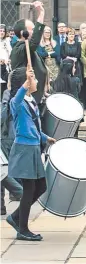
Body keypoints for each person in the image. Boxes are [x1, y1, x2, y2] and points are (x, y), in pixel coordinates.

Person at [6, 67, 56, 241]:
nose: (36, 82)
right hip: (24, 149)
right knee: (29, 189)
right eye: (32, 80)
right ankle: (23, 229)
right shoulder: (17, 102)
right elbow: (16, 100)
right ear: (25, 83)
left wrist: (45, 137)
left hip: (34, 147)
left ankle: (16, 217)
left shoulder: (31, 100)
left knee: (41, 186)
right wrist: (25, 83)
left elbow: (33, 125)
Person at [10, 1, 47, 103]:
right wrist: (41, 14)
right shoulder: (20, 49)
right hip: (27, 96)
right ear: (24, 33)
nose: (35, 31)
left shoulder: (25, 47)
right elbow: (34, 42)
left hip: (35, 94)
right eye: (33, 29)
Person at [1, 74, 23, 216]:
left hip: (6, 135)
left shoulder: (8, 95)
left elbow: (2, 116)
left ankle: (20, 193)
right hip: (16, 136)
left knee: (3, 172)